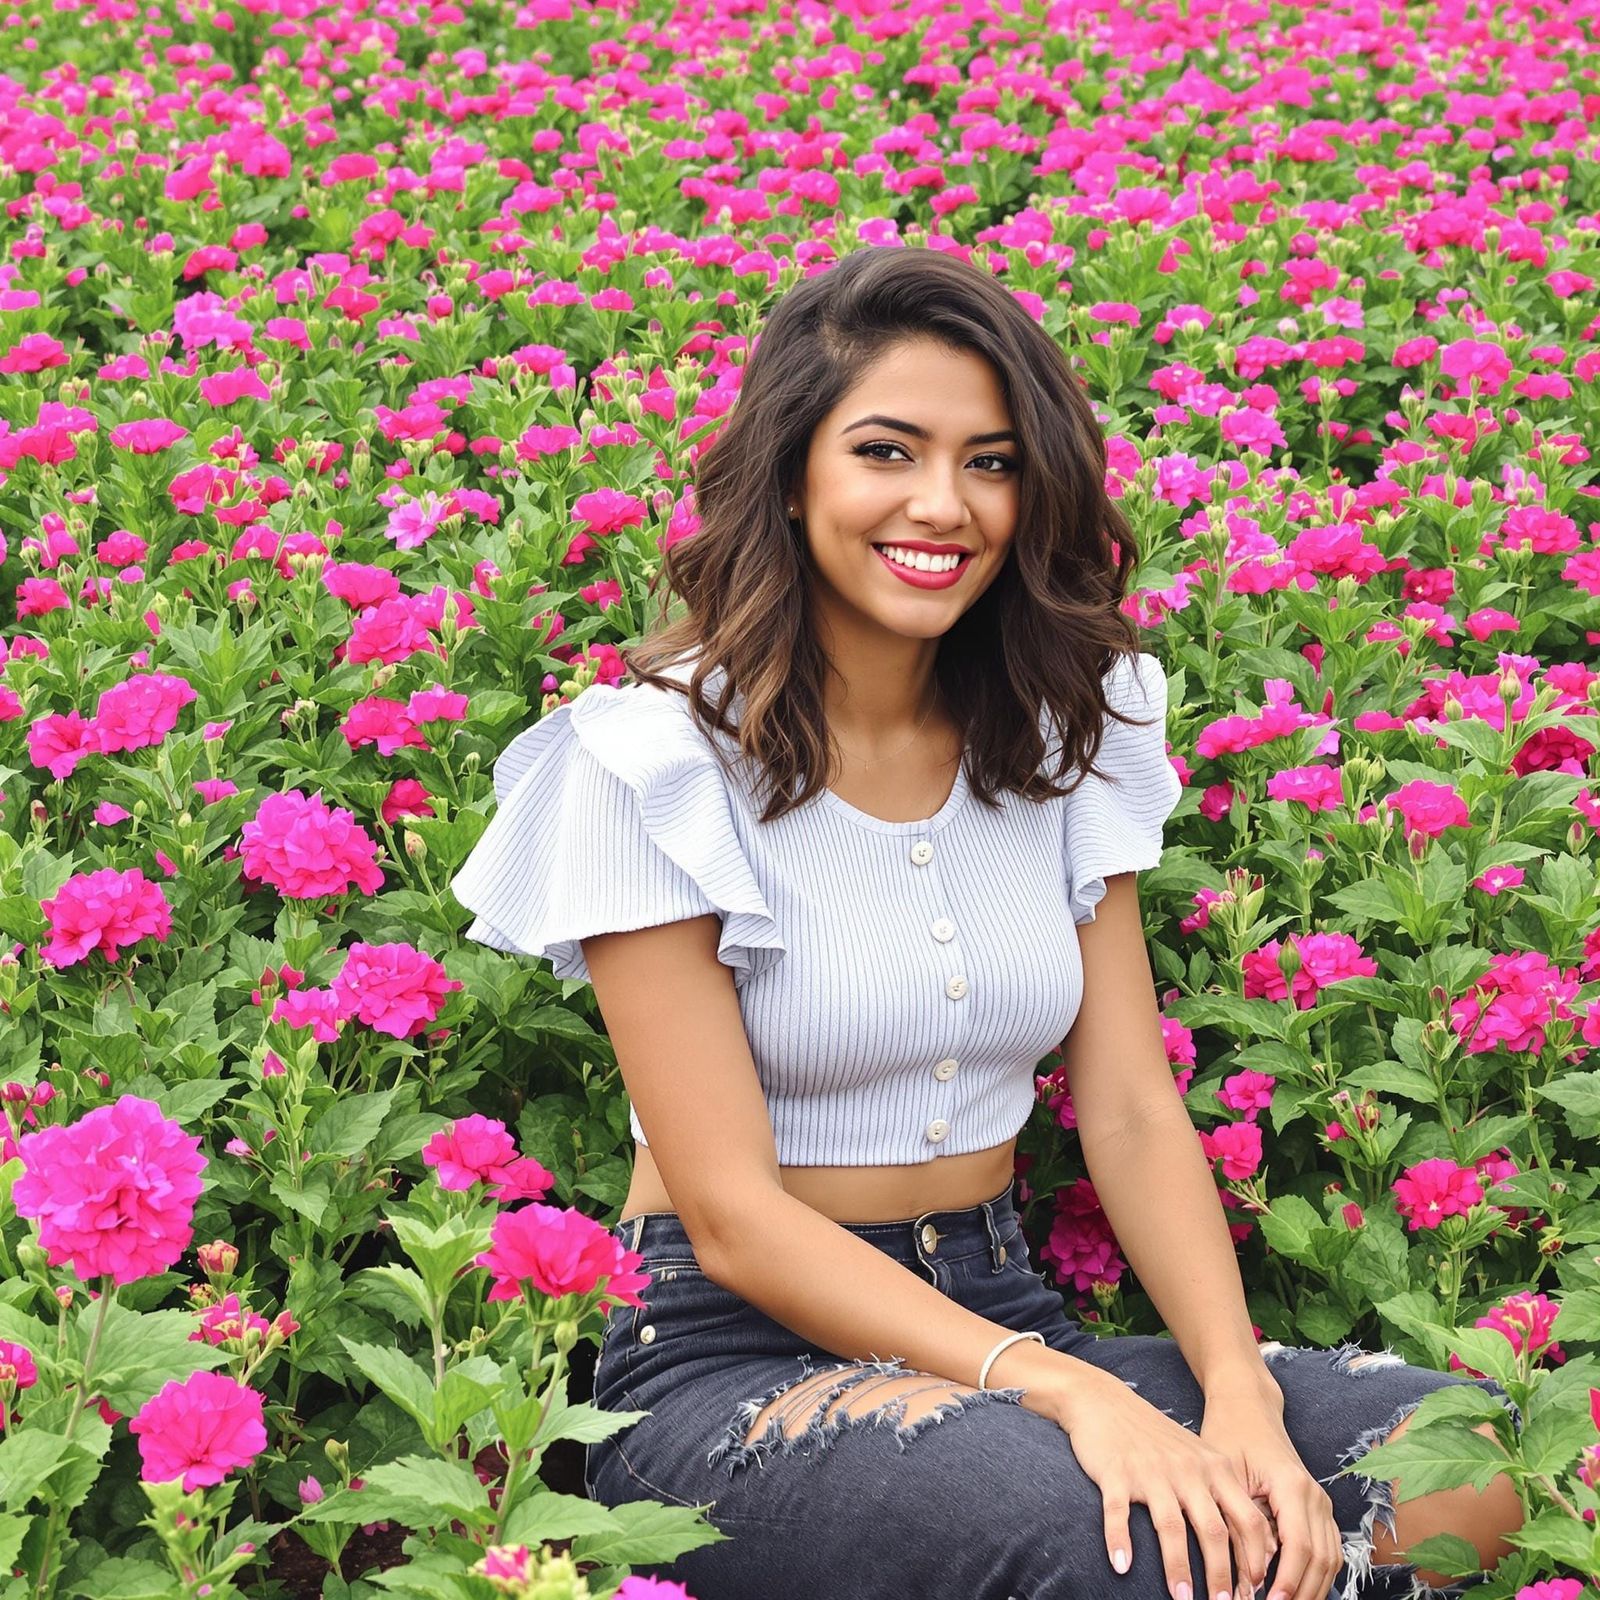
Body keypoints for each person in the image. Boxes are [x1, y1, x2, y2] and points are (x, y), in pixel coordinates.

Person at [449, 246, 1523, 1600]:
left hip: (998, 1301)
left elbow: (1129, 1108)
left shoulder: (1066, 733)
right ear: (794, 473)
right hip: (730, 1361)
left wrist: (1236, 1391)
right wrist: (1075, 1395)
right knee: (1138, 1553)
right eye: (888, 451)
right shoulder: (651, 764)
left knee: (1479, 1460)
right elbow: (726, 1213)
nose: (942, 504)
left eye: (994, 462)